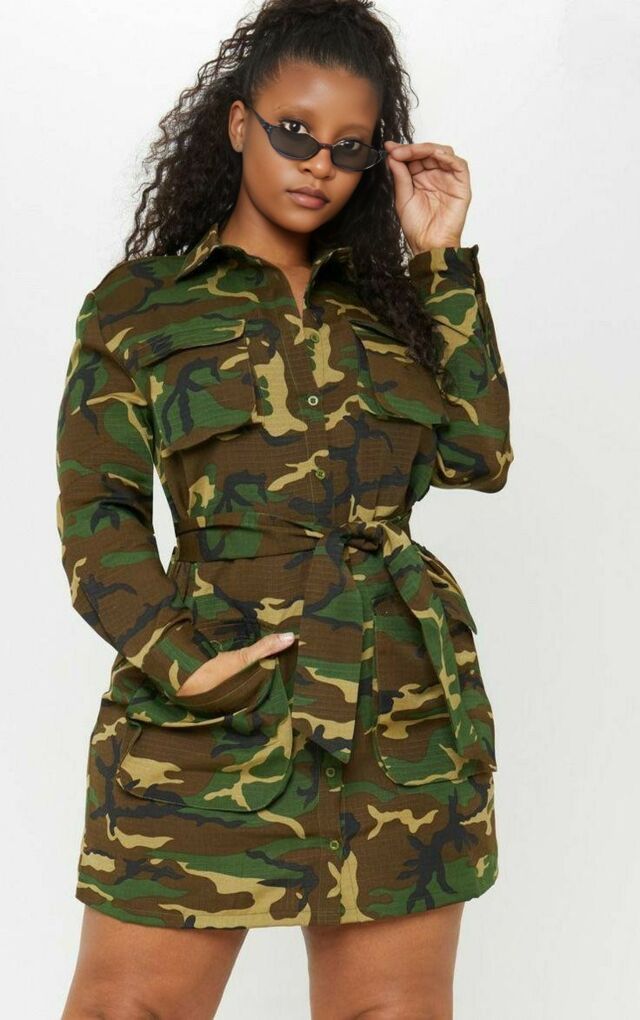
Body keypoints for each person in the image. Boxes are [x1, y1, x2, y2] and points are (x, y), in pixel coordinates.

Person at [56, 0, 514, 1016]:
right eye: (294, 132)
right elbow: (100, 513)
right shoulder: (139, 306)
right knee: (127, 1006)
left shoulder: (391, 305)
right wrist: (180, 660)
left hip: (396, 711)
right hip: (208, 700)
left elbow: (478, 455)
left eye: (349, 147)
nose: (318, 165)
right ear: (237, 124)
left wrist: (439, 259)